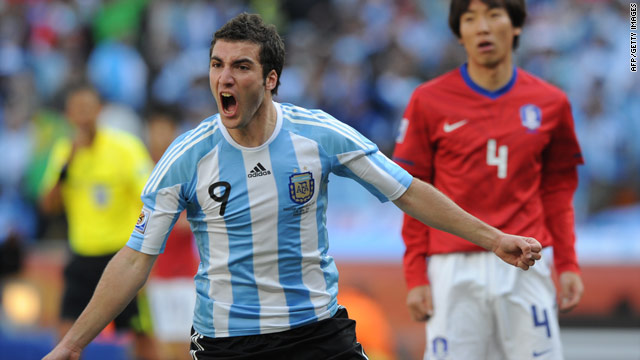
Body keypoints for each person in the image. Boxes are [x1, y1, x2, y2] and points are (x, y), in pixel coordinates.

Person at [43, 13, 542, 360]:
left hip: (316, 334)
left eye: (241, 66)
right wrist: (73, 343)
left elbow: (407, 190)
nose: (225, 78)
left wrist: (494, 238)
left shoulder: (319, 135)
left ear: (272, 78)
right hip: (226, 343)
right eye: (217, 65)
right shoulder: (187, 157)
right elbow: (135, 258)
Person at [392, 0, 585, 359]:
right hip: (452, 267)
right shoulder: (427, 100)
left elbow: (558, 191)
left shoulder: (551, 102)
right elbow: (412, 194)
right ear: (459, 34)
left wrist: (569, 263)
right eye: (469, 18)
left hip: (527, 260)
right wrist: (416, 275)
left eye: (493, 14)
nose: (482, 27)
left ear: (515, 27)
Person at [39, 84, 159, 360]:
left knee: (141, 333)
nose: (83, 116)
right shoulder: (64, 152)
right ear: (68, 115)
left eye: (88, 108)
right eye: (77, 110)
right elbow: (48, 206)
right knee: (67, 334)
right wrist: (66, 166)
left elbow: (150, 197)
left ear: (100, 110)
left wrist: (144, 246)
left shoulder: (125, 147)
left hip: (121, 256)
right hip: (82, 255)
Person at [145, 108, 199, 360]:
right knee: (164, 347)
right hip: (158, 275)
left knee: (192, 347)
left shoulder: (187, 171)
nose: (159, 136)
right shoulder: (144, 172)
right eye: (155, 130)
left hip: (186, 275)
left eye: (164, 129)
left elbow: (195, 220)